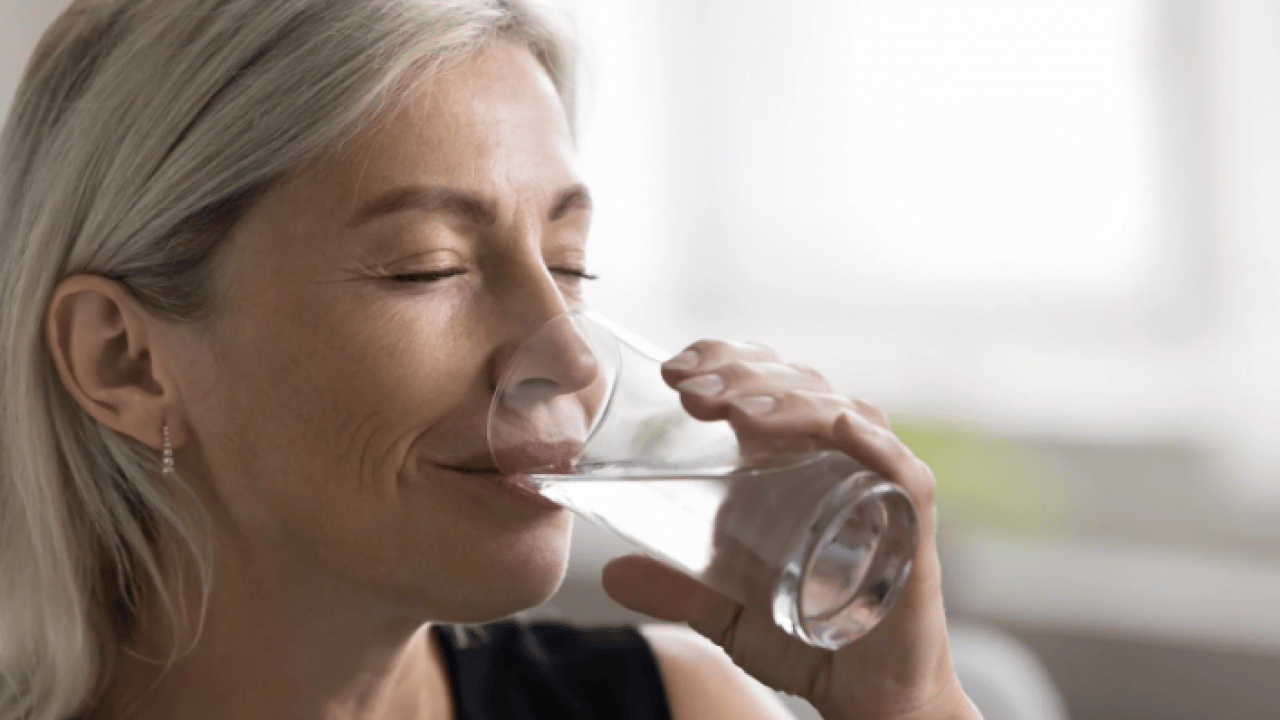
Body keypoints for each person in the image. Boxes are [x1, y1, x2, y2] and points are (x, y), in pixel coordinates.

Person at [0, 1, 981, 719]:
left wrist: (909, 706)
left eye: (569, 263)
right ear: (123, 361)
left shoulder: (677, 707)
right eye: (427, 268)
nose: (570, 355)